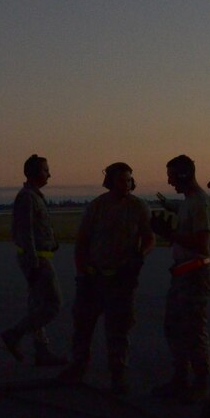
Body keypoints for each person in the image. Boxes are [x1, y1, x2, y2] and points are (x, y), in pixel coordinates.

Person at [57, 163, 155, 394]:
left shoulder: (139, 206)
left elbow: (149, 237)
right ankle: (78, 366)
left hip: (122, 278)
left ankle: (118, 373)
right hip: (93, 277)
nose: (127, 184)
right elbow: (82, 242)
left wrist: (141, 255)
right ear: (110, 181)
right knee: (83, 326)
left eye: (129, 180)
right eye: (122, 180)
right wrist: (82, 272)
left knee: (119, 329)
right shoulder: (97, 206)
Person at [150, 155, 210, 404]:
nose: (169, 181)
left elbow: (202, 245)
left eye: (171, 175)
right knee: (175, 326)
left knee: (193, 328)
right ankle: (181, 379)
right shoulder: (189, 202)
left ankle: (201, 383)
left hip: (194, 274)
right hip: (183, 273)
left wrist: (170, 233)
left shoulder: (200, 203)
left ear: (184, 175)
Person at [0, 154, 67, 366]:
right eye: (46, 170)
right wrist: (34, 264)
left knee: (38, 305)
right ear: (35, 172)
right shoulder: (27, 198)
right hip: (37, 259)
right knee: (53, 304)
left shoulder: (35, 196)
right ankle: (14, 334)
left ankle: (42, 351)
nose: (50, 174)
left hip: (41, 256)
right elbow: (25, 232)